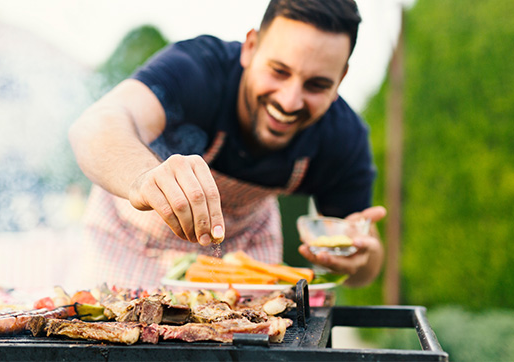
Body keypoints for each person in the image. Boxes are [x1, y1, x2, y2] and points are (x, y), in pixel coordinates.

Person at [68, 0, 386, 290]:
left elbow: (364, 267)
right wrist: (143, 179)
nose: (289, 102)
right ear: (250, 47)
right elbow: (95, 126)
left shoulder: (343, 136)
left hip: (243, 256)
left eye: (317, 85)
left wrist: (359, 259)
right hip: (129, 244)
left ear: (341, 78)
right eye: (278, 71)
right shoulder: (199, 68)